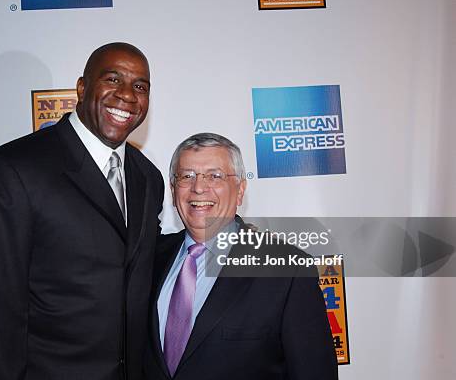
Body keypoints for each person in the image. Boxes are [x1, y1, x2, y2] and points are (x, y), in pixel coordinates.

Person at [0, 42, 164, 380]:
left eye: (140, 86)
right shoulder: (10, 171)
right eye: (112, 79)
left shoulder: (148, 177)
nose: (127, 95)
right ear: (82, 88)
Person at [145, 133, 338, 379]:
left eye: (214, 176)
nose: (199, 187)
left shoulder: (288, 271)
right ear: (173, 190)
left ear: (240, 190)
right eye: (187, 176)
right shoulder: (149, 258)